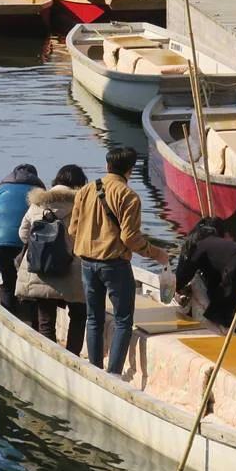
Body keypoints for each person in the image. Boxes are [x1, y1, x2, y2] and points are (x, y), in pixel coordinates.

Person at [68, 146, 170, 376]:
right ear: (131, 170)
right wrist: (158, 254)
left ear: (107, 166)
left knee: (94, 318)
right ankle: (113, 373)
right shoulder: (128, 196)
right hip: (114, 265)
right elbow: (130, 239)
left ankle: (95, 369)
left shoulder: (85, 191)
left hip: (86, 263)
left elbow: (73, 229)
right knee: (123, 319)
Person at [174, 218, 236, 354]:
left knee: (225, 310)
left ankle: (234, 346)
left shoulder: (197, 245)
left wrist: (173, 287)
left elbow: (183, 275)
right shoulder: (218, 244)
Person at [16, 164, 89, 354]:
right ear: (80, 185)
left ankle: (49, 356)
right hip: (71, 269)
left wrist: (40, 246)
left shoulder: (37, 204)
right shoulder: (81, 206)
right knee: (79, 314)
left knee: (45, 319)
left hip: (42, 268)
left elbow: (23, 234)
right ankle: (73, 356)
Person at [0, 163, 45, 314]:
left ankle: (8, 316)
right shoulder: (39, 193)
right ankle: (34, 322)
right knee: (31, 283)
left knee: (8, 280)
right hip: (26, 241)